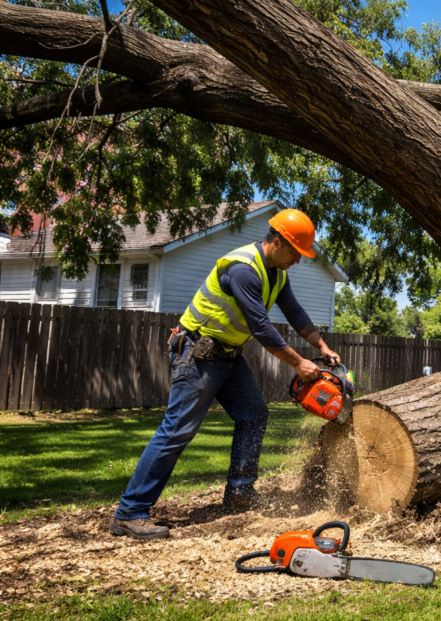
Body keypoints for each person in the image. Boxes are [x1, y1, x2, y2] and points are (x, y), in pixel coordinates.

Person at [110, 209, 339, 541]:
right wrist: (298, 363)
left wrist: (322, 345)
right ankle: (129, 513)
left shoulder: (276, 273)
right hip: (198, 353)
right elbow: (261, 326)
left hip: (228, 356)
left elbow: (294, 312)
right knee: (176, 431)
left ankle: (240, 492)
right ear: (277, 242)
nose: (298, 261)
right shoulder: (244, 270)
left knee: (254, 414)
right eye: (295, 253)